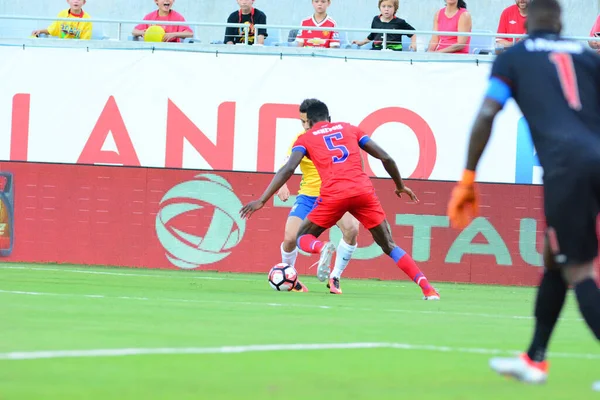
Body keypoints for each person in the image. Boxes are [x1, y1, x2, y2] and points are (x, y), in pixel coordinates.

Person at [447, 0, 600, 389]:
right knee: (554, 256)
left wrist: (467, 177)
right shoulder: (587, 54)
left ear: (527, 19)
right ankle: (535, 359)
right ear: (562, 20)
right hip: (594, 158)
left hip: (567, 167)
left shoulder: (513, 57)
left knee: (578, 269)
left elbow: (486, 113)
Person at [241, 101, 440, 300]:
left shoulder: (305, 138)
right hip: (363, 192)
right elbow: (386, 158)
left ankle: (323, 250)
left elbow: (288, 169)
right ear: (328, 118)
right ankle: (428, 289)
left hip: (333, 194)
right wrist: (399, 185)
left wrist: (262, 200)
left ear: (309, 122)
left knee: (301, 237)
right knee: (389, 245)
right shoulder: (350, 129)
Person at [277, 99, 360, 294]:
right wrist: (282, 185)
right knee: (290, 238)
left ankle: (335, 276)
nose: (305, 126)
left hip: (334, 195)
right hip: (308, 196)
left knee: (352, 229)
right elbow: (286, 164)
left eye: (307, 122)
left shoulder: (338, 136)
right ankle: (291, 278)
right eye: (302, 122)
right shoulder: (300, 139)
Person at [352, 0, 417, 51]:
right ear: (379, 7)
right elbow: (372, 36)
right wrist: (360, 43)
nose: (386, 9)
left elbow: (413, 33)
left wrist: (413, 43)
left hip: (394, 51)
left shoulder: (400, 22)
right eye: (383, 6)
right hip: (377, 50)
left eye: (390, 6)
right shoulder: (376, 19)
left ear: (395, 8)